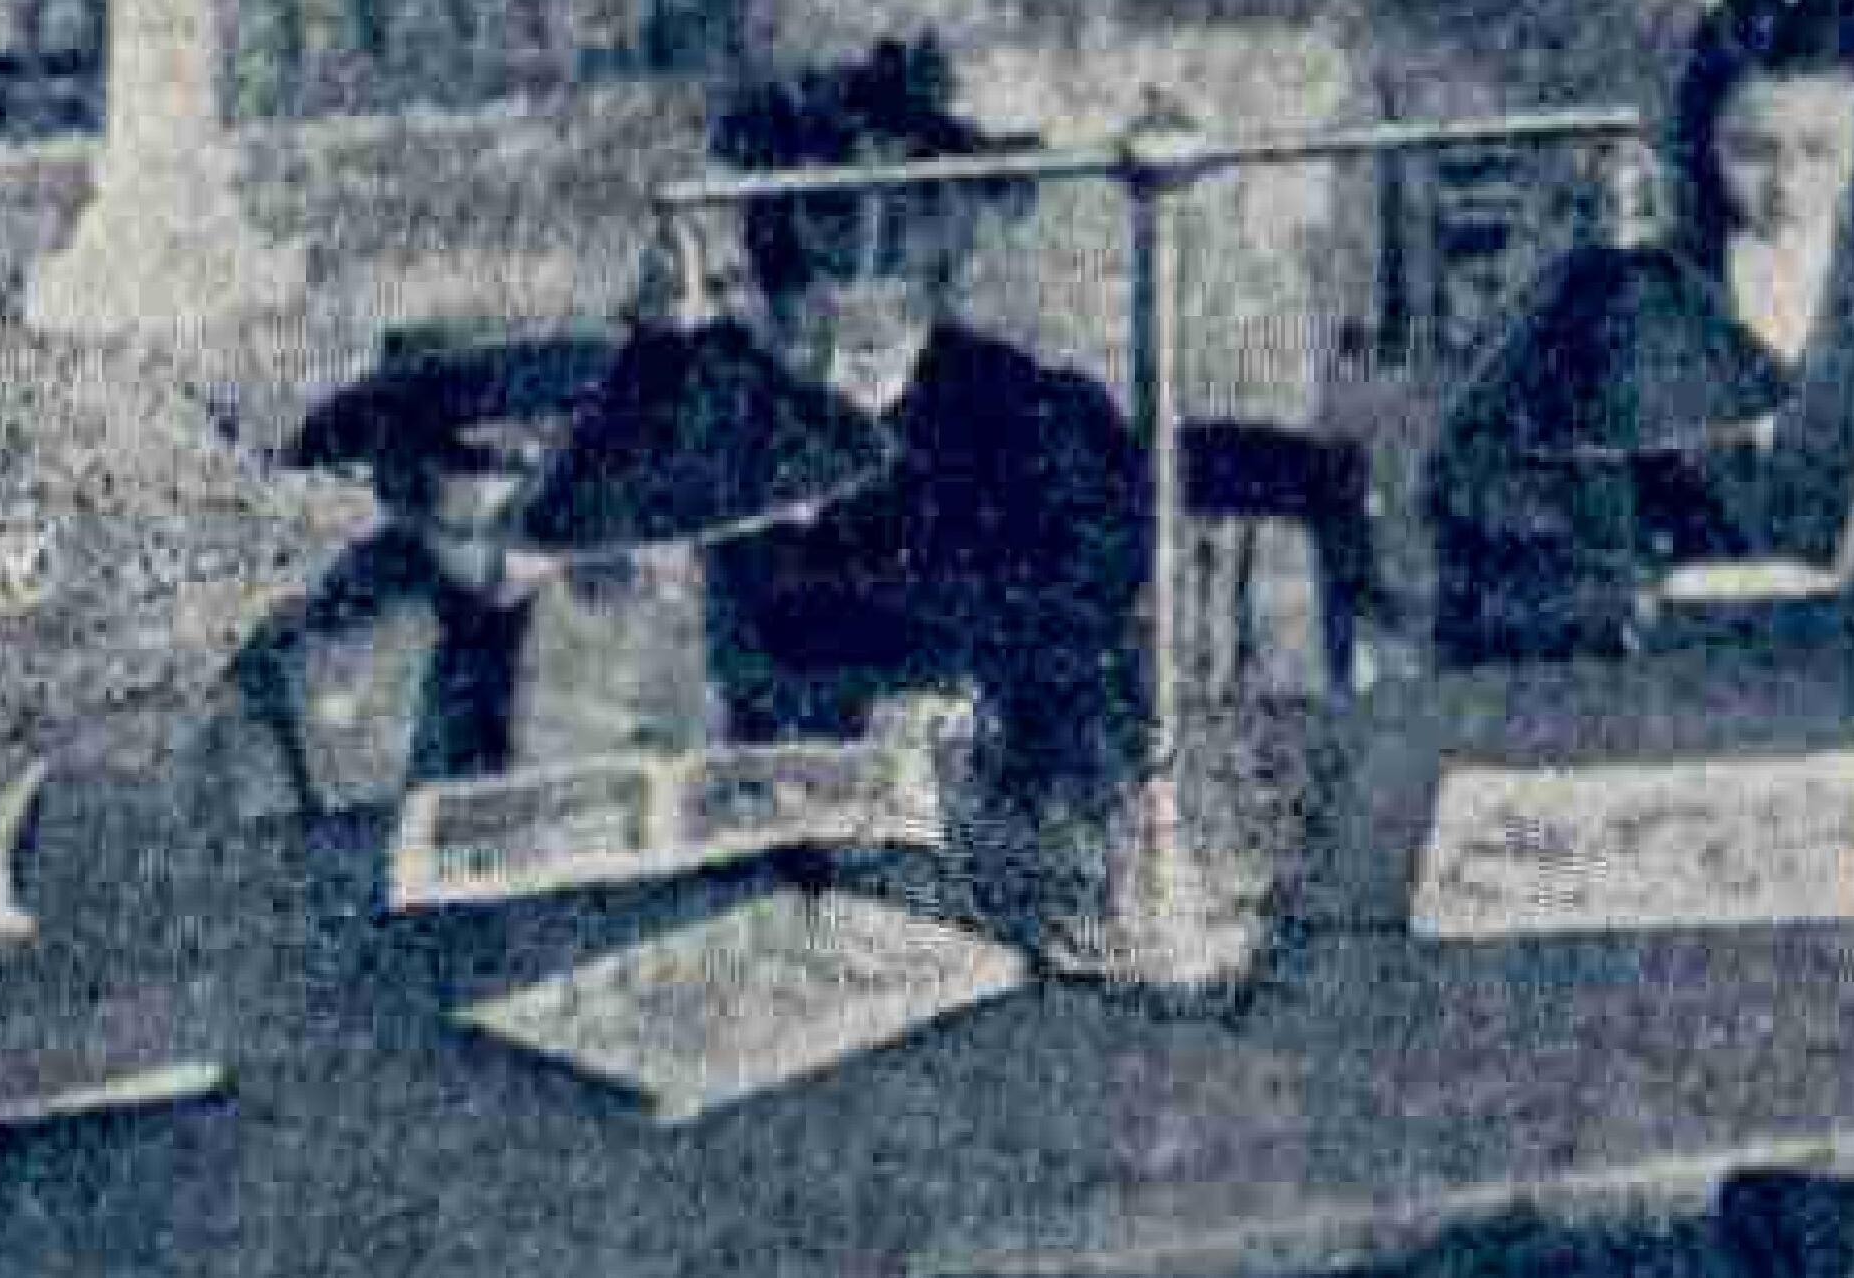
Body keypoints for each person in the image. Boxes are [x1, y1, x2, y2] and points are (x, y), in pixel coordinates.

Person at [1432, 0, 1854, 659]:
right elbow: (1490, 500)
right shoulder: (1631, 281)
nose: (1787, 187)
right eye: (1751, 151)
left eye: (1821, 150)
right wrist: (1623, 601)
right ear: (1702, 139)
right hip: (1662, 673)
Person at [704, 174, 1161, 792]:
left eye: (873, 337)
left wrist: (964, 686)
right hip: (819, 785)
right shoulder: (750, 432)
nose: (842, 359)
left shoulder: (1035, 412)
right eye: (808, 333)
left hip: (1020, 770)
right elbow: (752, 651)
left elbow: (1092, 604)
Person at [216, 324, 618, 819]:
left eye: (563, 444)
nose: (537, 486)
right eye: (493, 452)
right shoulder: (296, 676)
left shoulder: (663, 622)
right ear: (399, 477)